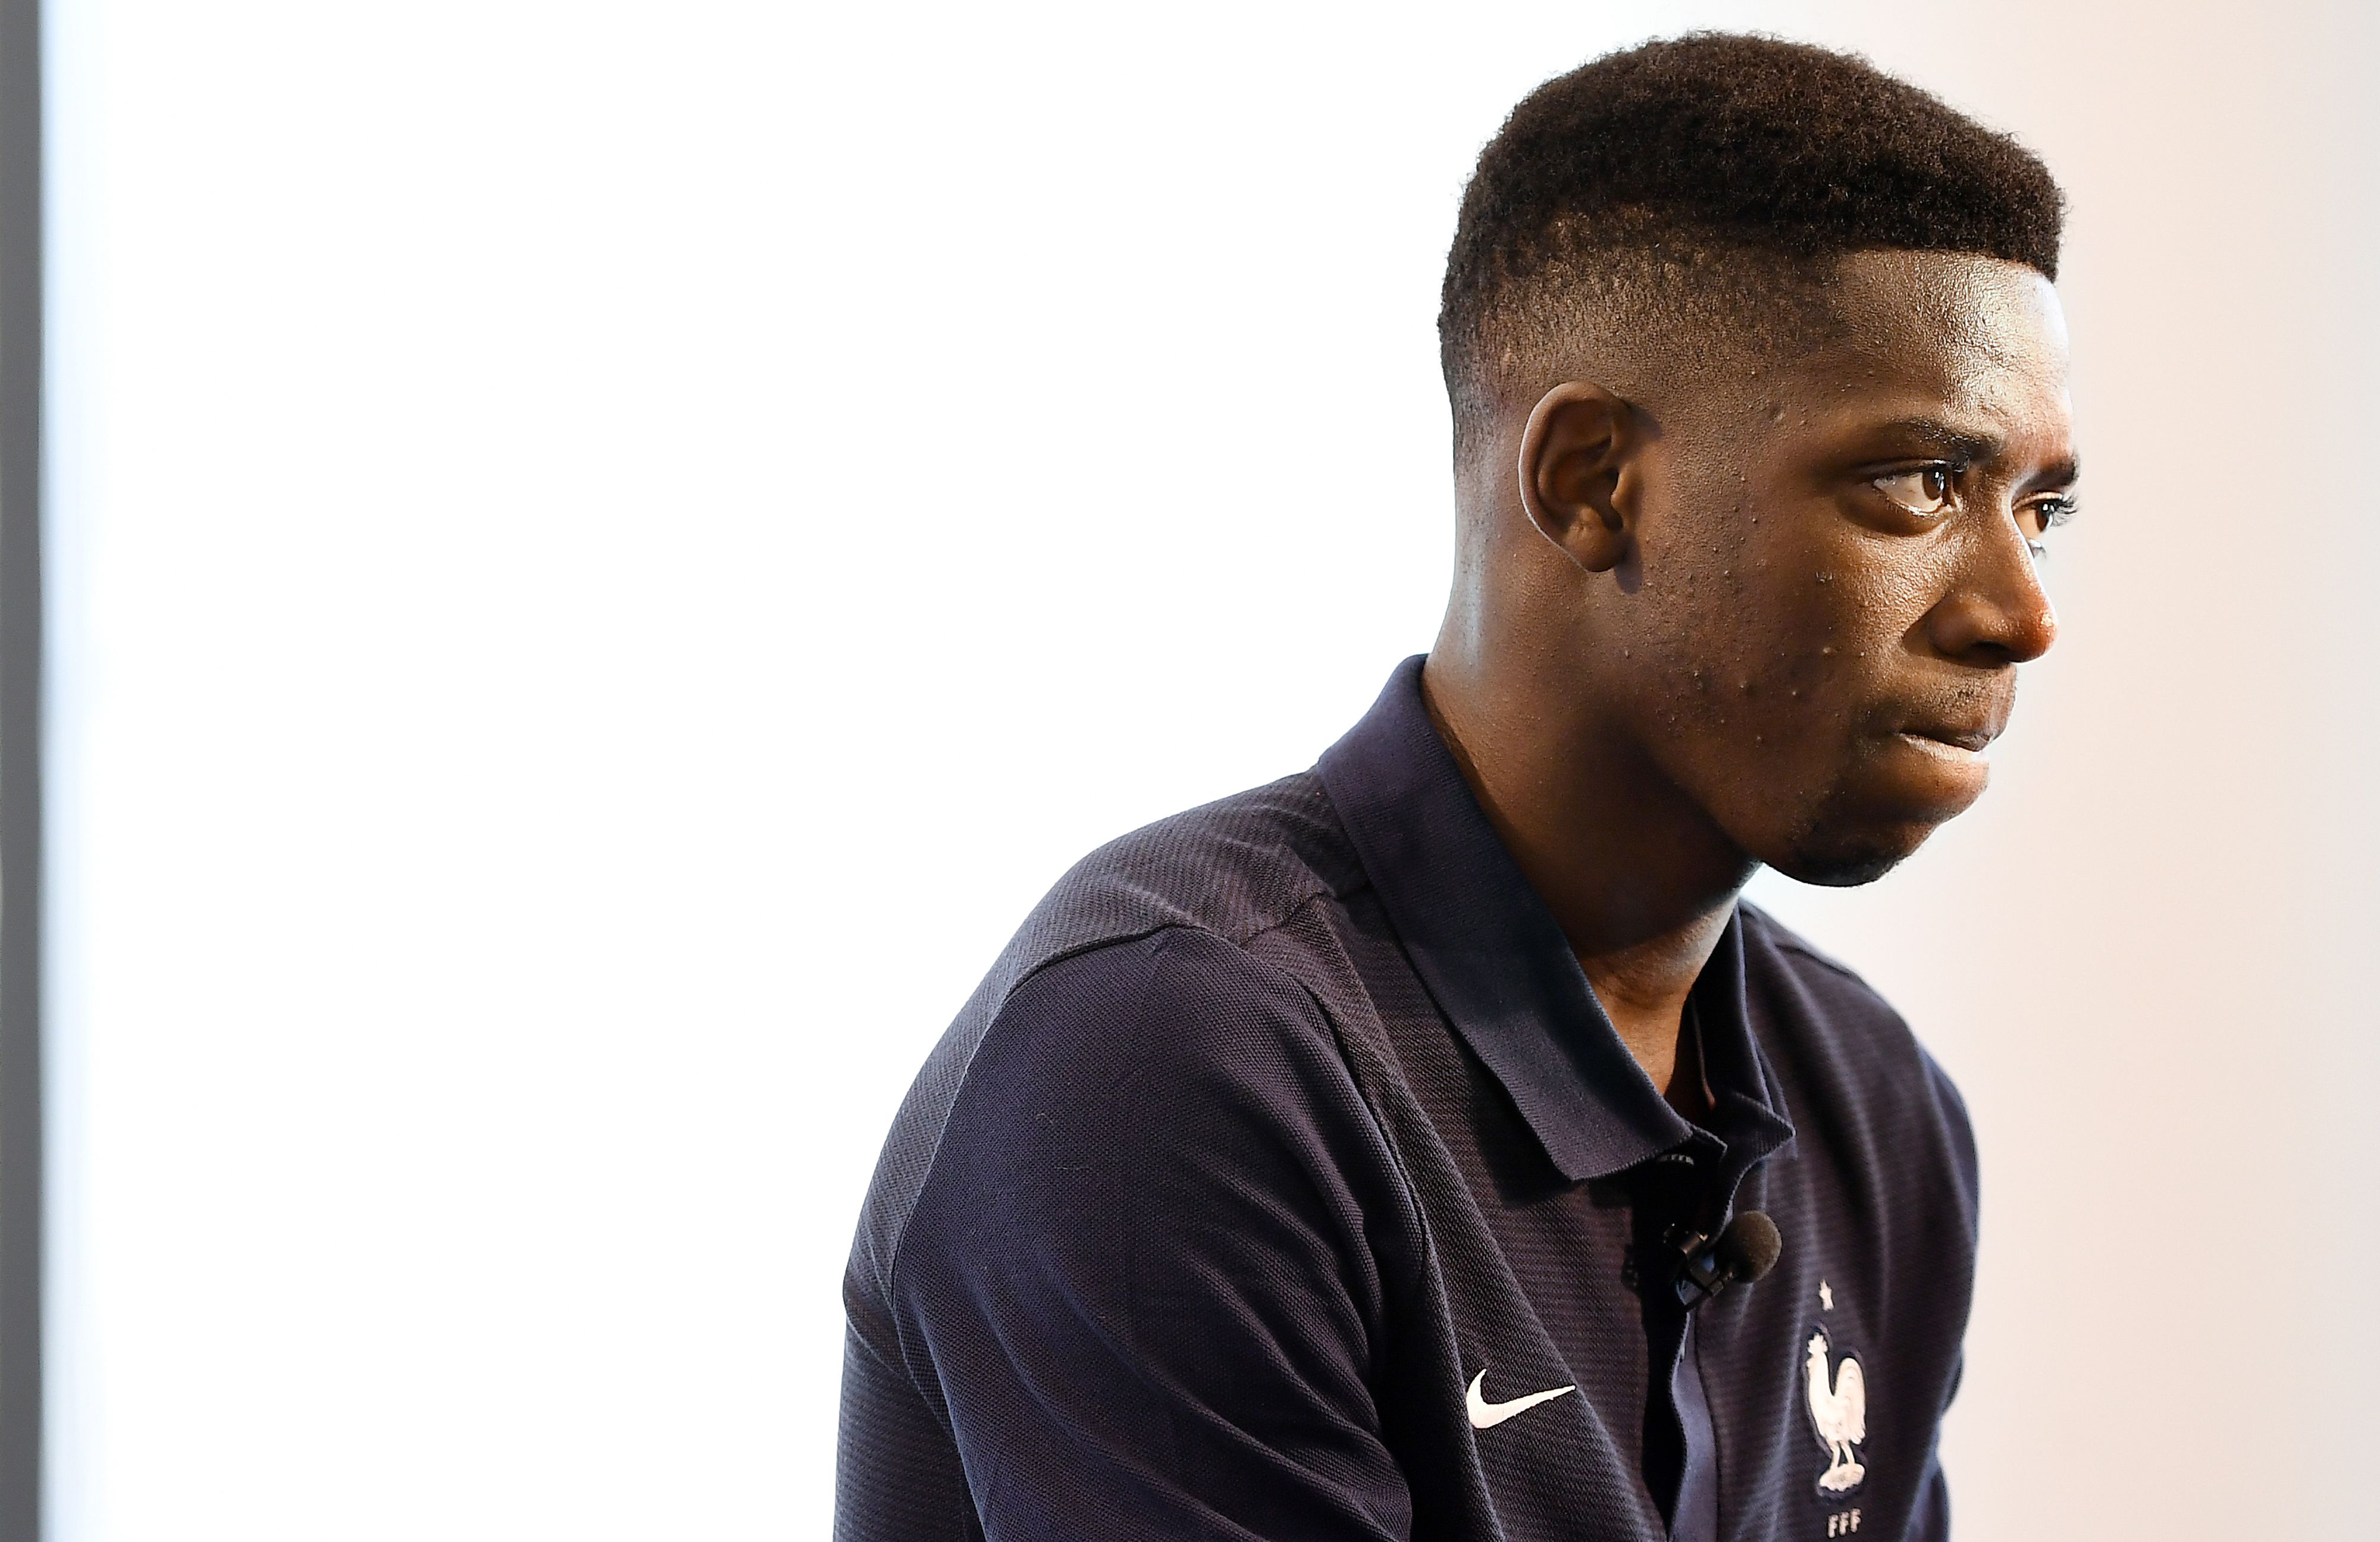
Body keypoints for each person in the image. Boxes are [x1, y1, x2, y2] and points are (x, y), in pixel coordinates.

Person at [837, 32, 2075, 1542]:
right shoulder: (1172, 1055)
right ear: (1586, 482)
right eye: (1918, 482)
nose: (2016, 610)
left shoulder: (1870, 1109)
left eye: (2040, 506)